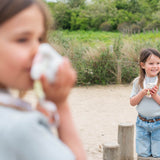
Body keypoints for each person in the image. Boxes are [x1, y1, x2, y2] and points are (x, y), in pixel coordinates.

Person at [0, 0, 86, 160]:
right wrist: (61, 105)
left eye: (39, 39)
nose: (39, 51)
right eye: (22, 39)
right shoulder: (22, 128)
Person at [130, 48, 160, 158]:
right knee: (142, 153)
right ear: (143, 65)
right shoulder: (138, 82)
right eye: (151, 63)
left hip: (158, 123)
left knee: (157, 154)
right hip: (141, 123)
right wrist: (142, 92)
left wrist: (155, 95)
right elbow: (132, 102)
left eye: (158, 63)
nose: (155, 66)